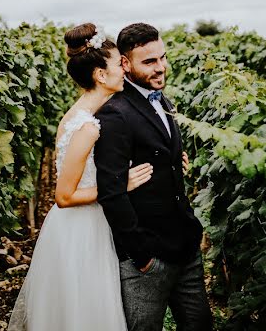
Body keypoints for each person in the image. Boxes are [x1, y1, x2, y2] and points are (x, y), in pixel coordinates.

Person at [7, 23, 154, 331]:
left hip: (87, 224)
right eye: (119, 64)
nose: (125, 69)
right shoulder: (85, 126)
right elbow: (64, 196)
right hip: (80, 230)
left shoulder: (91, 116)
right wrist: (119, 185)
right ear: (100, 75)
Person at [95, 22, 211, 331]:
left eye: (162, 57)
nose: (160, 68)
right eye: (149, 61)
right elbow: (111, 192)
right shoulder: (114, 114)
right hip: (147, 258)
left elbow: (160, 156)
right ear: (125, 63)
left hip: (184, 245)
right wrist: (141, 255)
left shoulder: (164, 100)